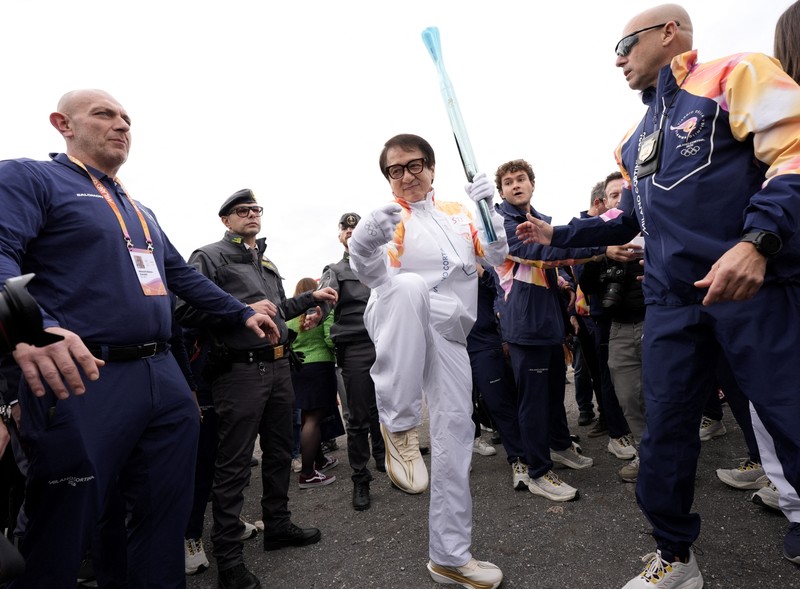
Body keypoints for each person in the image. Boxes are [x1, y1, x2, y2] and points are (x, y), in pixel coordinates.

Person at [516, 4, 800, 586]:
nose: (617, 61)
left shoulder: (736, 73)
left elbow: (794, 151)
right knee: (664, 432)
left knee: (790, 417)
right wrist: (558, 235)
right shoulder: (632, 140)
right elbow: (625, 220)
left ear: (668, 33)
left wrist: (758, 242)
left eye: (623, 46)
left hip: (750, 287)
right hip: (671, 305)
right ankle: (675, 556)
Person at [0, 89, 279, 589]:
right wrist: (30, 327)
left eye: (127, 118)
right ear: (62, 123)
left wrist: (240, 313)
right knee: (66, 520)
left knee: (160, 515)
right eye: (104, 114)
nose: (121, 125)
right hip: (86, 375)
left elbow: (178, 275)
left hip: (161, 375)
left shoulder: (138, 207)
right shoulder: (31, 177)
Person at [348, 134, 508, 589]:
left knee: (457, 433)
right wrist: (363, 246)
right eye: (395, 170)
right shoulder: (391, 220)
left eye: (413, 165)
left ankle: (449, 557)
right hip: (400, 319)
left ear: (432, 168)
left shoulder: (460, 213)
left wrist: (491, 214)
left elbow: (496, 257)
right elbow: (379, 278)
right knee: (409, 287)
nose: (405, 176)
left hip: (451, 333)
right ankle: (398, 425)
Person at [175, 188, 337, 589]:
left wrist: (309, 298)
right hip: (239, 372)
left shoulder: (264, 261)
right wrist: (239, 308)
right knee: (232, 467)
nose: (250, 214)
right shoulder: (208, 256)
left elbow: (276, 310)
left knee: (281, 452)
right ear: (226, 220)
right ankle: (228, 559)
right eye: (241, 210)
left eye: (255, 209)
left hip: (280, 365)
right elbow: (184, 310)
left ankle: (278, 526)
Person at [493, 159, 604, 503]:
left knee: (555, 394)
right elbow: (544, 254)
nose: (515, 185)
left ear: (532, 184)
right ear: (500, 191)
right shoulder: (501, 226)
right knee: (534, 402)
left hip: (550, 325)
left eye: (521, 179)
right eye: (508, 182)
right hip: (525, 328)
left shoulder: (540, 221)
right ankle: (538, 471)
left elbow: (556, 263)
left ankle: (559, 446)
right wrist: (601, 249)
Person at [577, 172, 646, 483]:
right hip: (617, 324)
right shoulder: (600, 241)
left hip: (653, 321)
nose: (619, 200)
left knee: (662, 394)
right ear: (603, 203)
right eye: (613, 196)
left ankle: (672, 457)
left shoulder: (649, 229)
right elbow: (587, 285)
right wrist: (600, 254)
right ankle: (647, 455)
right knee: (628, 395)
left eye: (623, 194)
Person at [318, 212, 385, 511]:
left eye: (356, 227)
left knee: (388, 408)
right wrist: (315, 310)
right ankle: (361, 477)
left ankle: (389, 460)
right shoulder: (333, 269)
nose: (350, 231)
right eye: (345, 228)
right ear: (340, 236)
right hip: (356, 343)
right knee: (358, 415)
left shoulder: (384, 262)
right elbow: (324, 294)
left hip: (387, 340)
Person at [285, 278, 339, 490]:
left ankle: (320, 461)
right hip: (320, 366)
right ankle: (307, 473)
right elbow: (329, 339)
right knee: (314, 419)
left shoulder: (291, 314)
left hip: (297, 369)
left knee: (308, 417)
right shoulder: (321, 309)